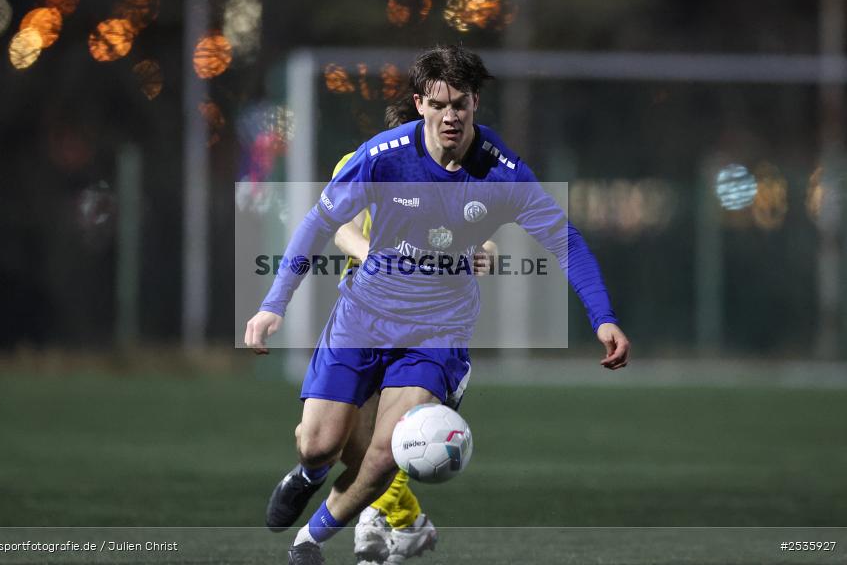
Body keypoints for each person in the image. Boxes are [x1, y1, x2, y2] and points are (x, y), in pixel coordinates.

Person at [246, 45, 630, 565]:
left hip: (436, 331)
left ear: (475, 103)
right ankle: (310, 474)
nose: (451, 116)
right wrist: (274, 304)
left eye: (461, 104)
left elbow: (566, 241)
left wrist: (602, 317)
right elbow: (319, 224)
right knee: (318, 444)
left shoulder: (503, 173)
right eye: (439, 104)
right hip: (363, 315)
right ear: (420, 104)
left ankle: (308, 542)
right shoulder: (383, 157)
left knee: (384, 453)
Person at [331, 99, 496, 565]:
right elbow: (339, 227)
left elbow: (474, 232)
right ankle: (406, 521)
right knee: (344, 439)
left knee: (402, 432)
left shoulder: (458, 170)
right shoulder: (363, 162)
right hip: (364, 319)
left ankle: (379, 517)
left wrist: (486, 250)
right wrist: (379, 263)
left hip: (428, 322)